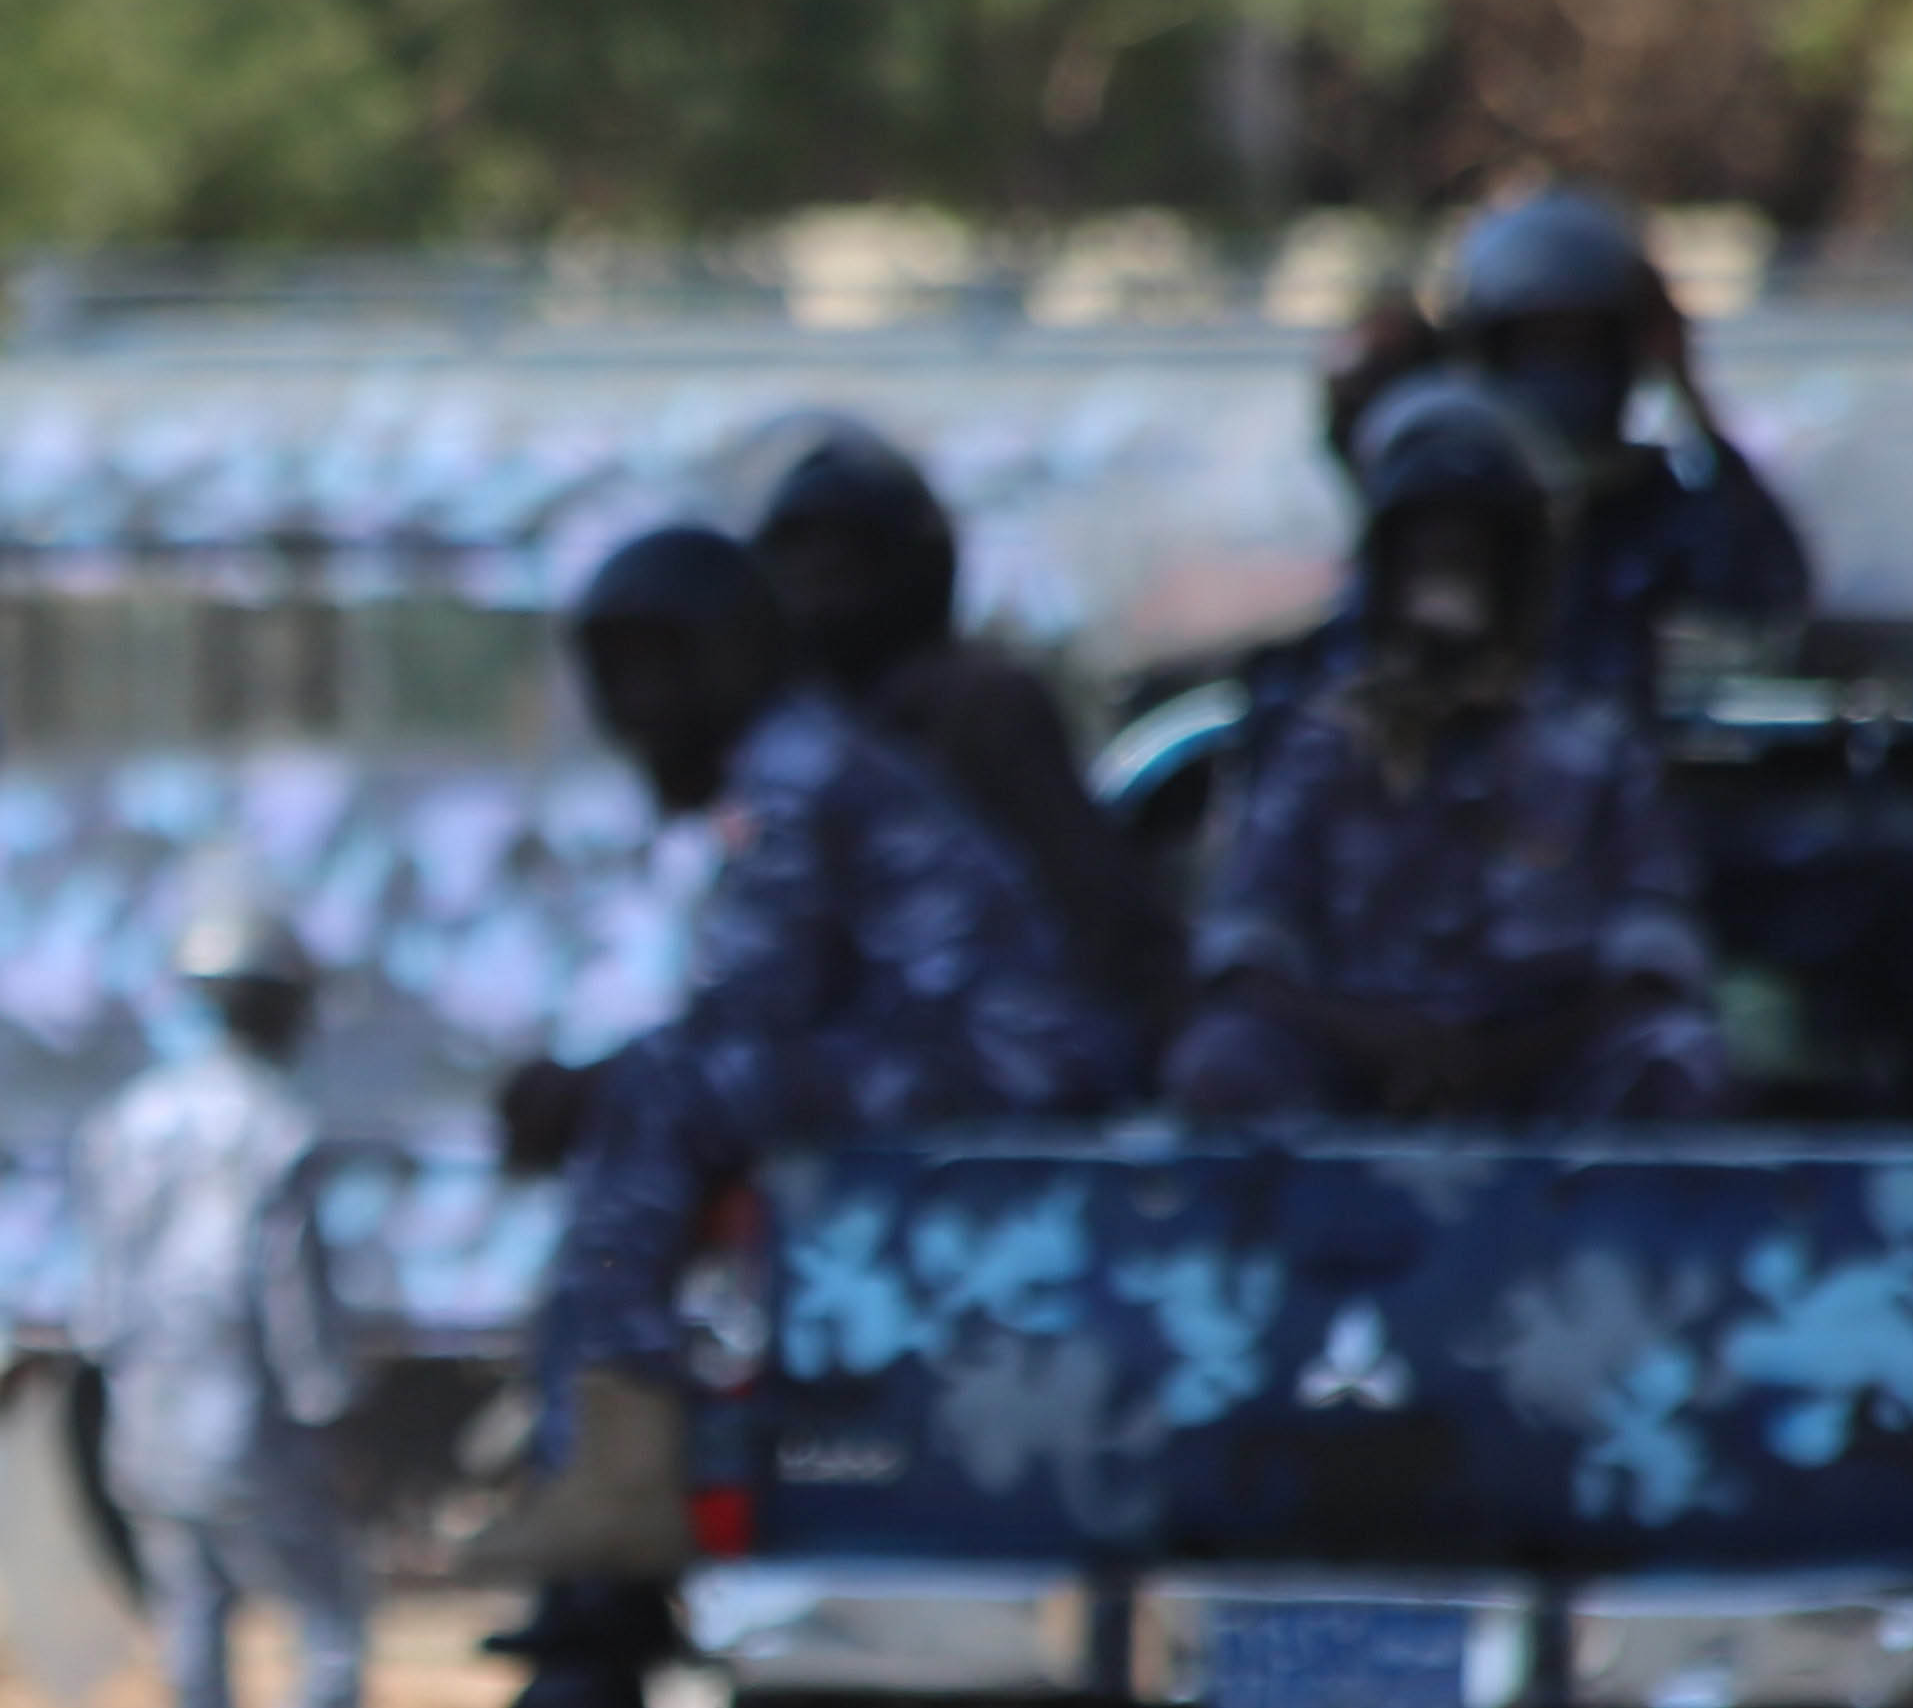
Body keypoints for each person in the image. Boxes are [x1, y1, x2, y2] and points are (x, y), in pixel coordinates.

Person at [464, 527, 1125, 1585]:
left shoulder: (794, 769)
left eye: (661, 663)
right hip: (952, 1058)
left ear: (728, 655)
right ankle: (592, 1444)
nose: (638, 699)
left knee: (660, 1095)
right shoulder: (788, 764)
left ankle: (614, 1462)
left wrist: (581, 1093)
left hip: (999, 1066)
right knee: (659, 1090)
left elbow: (745, 1016)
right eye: (618, 668)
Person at [1163, 378, 1725, 1129]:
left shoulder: (1594, 747)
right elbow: (1244, 955)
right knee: (1221, 1058)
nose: (1447, 571)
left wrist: (1500, 1059)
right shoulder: (1319, 745)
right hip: (1354, 1071)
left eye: (1472, 547)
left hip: (1546, 1070)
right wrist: (1387, 1045)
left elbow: (1656, 961)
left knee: (1674, 1056)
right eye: (1424, 550)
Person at [72, 884, 366, 1708]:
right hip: (249, 1426)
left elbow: (99, 1300)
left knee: (189, 1625)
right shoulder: (279, 1126)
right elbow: (289, 1291)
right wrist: (328, 1401)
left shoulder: (128, 1119)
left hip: (144, 1420)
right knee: (331, 1636)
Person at [749, 423, 1174, 1044]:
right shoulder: (787, 729)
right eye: (800, 567)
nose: (818, 592)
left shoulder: (978, 704)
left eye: (844, 565)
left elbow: (1093, 910)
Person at [1436, 184, 1812, 698]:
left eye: (1582, 344)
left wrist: (1692, 401)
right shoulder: (1447, 516)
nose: (1561, 372)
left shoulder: (1660, 511)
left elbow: (1770, 594)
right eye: (1538, 344)